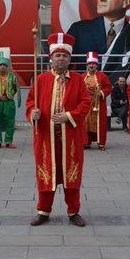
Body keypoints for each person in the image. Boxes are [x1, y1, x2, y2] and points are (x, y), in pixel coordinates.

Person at [26, 32, 91, 227]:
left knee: (72, 173)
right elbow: (30, 102)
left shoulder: (79, 80)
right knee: (46, 172)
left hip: (70, 135)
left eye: (64, 56)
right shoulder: (42, 79)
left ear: (69, 59)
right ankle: (43, 210)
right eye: (58, 55)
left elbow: (85, 103)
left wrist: (68, 116)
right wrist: (33, 113)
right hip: (46, 136)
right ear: (51, 58)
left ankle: (73, 211)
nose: (61, 58)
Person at [69, 0, 130, 84]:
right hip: (84, 90)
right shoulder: (79, 29)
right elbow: (65, 63)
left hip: (113, 92)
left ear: (126, 2)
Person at [0, 47, 21, 149]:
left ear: (7, 66)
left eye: (4, 65)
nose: (2, 67)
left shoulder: (13, 77)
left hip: (9, 102)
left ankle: (8, 141)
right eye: (0, 65)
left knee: (10, 122)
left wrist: (9, 95)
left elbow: (17, 89)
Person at [81, 52, 112, 151]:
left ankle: (101, 142)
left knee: (100, 124)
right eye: (89, 64)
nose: (91, 65)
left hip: (98, 104)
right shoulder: (82, 76)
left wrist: (101, 93)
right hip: (86, 104)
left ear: (96, 65)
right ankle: (86, 142)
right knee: (86, 123)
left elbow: (108, 87)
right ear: (87, 65)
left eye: (93, 64)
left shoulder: (102, 76)